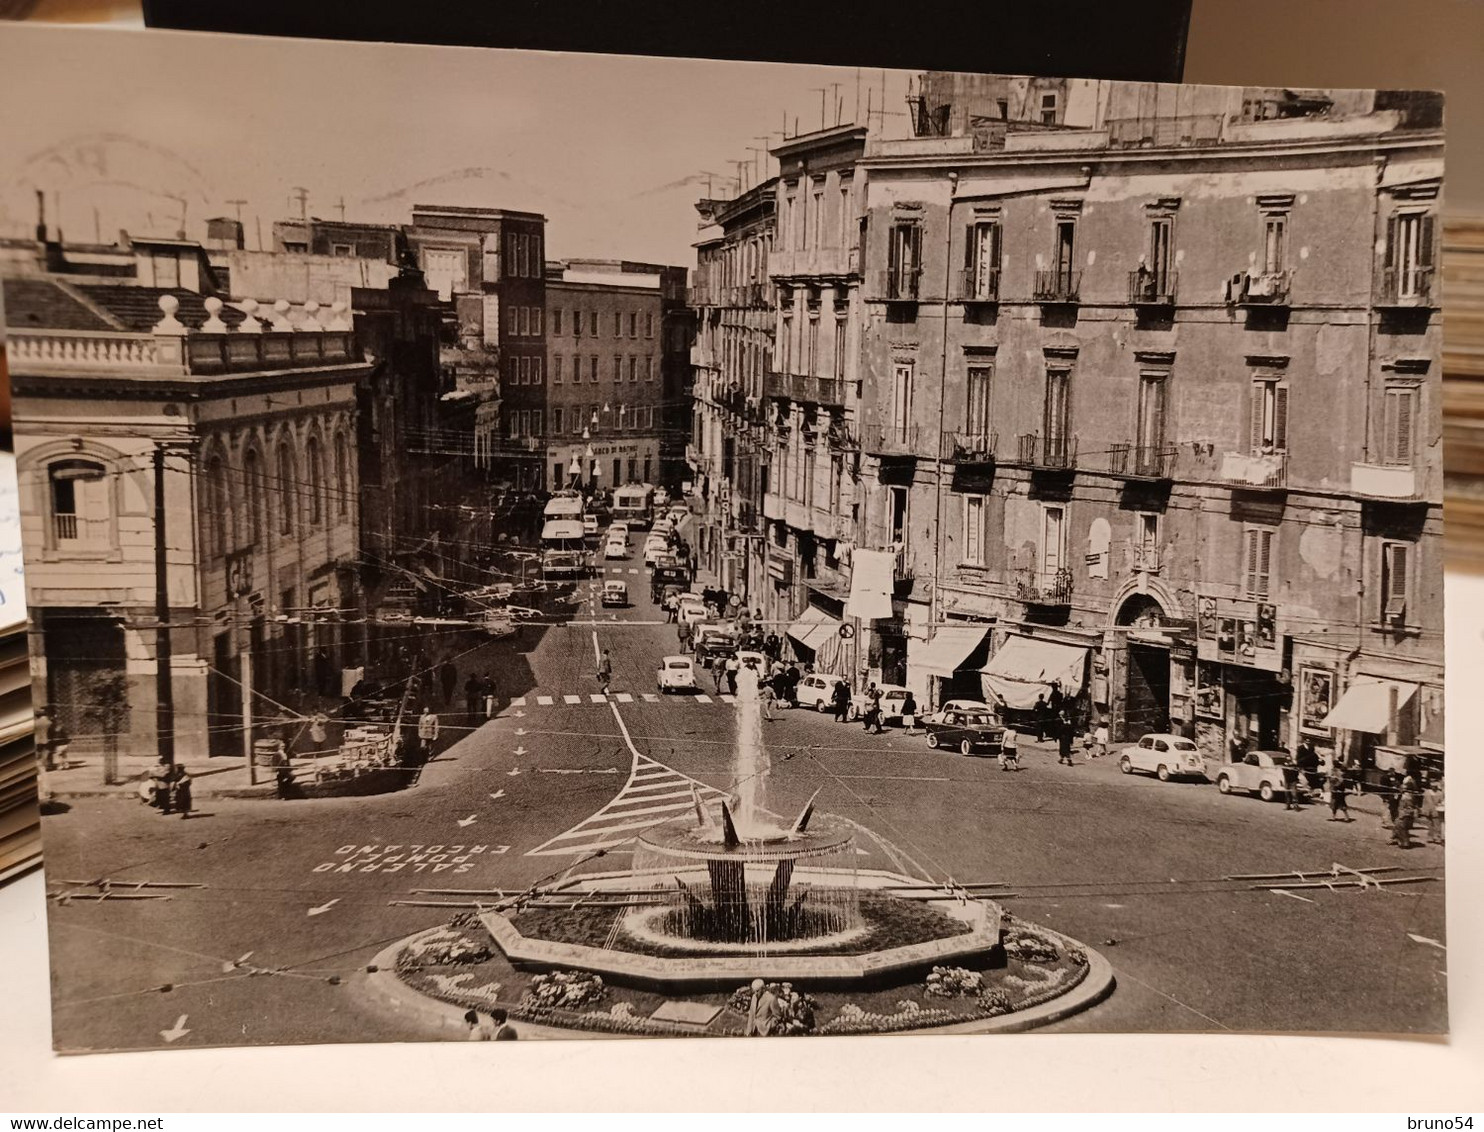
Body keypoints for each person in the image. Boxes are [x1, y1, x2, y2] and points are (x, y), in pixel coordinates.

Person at [1391, 773, 1419, 848]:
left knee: (1402, 827)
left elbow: (1409, 807)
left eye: (1403, 788)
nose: (1401, 789)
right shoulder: (1403, 795)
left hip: (1405, 814)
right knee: (1396, 825)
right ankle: (1395, 839)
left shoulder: (1408, 797)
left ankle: (1405, 843)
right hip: (1400, 812)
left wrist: (1405, 814)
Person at [1422, 775, 1444, 844]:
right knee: (1430, 824)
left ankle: (1437, 837)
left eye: (1435, 786)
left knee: (1437, 824)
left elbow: (1442, 801)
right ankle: (1430, 837)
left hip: (1437, 810)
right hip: (1428, 810)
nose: (1433, 787)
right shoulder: (1427, 792)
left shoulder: (1440, 793)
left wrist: (1440, 805)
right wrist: (1425, 810)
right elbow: (1425, 802)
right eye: (1432, 785)